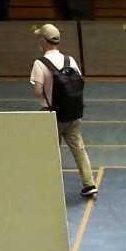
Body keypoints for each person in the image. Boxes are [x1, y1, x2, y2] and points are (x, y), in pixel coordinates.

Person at [30, 24, 97, 199]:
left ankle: (52, 187)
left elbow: (38, 91)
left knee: (51, 151)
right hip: (72, 112)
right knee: (78, 148)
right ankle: (89, 183)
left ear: (43, 41)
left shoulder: (40, 63)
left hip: (51, 114)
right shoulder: (70, 60)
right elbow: (79, 81)